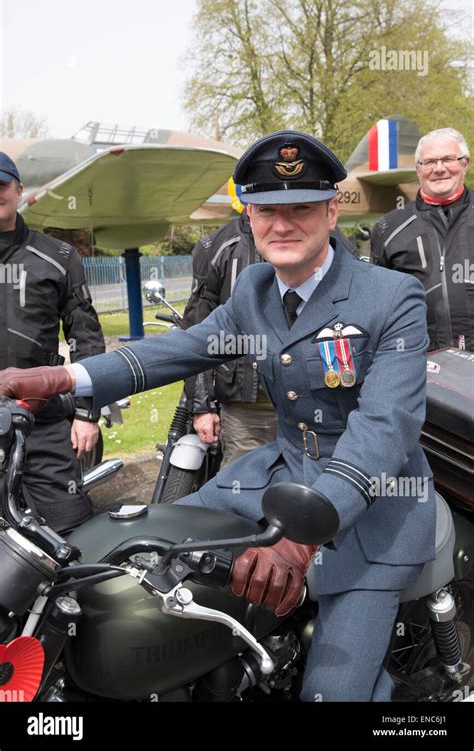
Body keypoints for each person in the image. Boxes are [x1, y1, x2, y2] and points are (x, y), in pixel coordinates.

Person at [0, 131, 435, 701]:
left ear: (332, 210)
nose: (282, 225)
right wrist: (65, 377)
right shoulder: (256, 287)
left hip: (375, 507)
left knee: (333, 691)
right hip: (276, 478)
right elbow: (180, 350)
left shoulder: (392, 296)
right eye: (265, 210)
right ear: (249, 216)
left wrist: (302, 539)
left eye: (300, 207)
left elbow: (384, 430)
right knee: (119, 560)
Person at [183, 210, 357, 466]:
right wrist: (202, 405)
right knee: (243, 486)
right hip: (247, 410)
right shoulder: (217, 245)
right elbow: (197, 329)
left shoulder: (332, 240)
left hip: (317, 400)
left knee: (316, 486)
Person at [0, 151, 105, 533]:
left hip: (41, 421)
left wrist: (85, 413)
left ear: (18, 190)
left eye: (1, 185)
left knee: (72, 531)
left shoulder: (58, 257)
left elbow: (86, 337)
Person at [370, 127, 473, 351]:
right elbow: (377, 307)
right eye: (429, 162)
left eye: (448, 159)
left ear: (465, 164)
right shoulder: (389, 228)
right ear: (418, 170)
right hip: (421, 365)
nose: (439, 168)